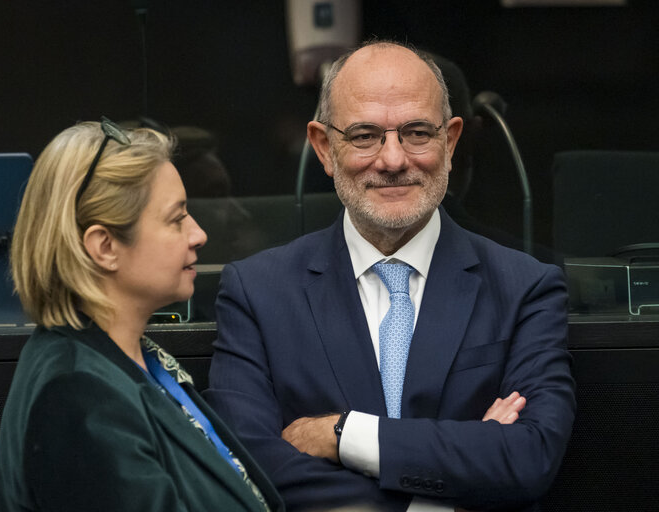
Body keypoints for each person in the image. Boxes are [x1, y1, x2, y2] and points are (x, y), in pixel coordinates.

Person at [204, 42, 575, 511]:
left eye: (417, 132)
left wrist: (343, 435)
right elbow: (250, 464)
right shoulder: (258, 292)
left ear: (452, 140)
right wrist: (450, 484)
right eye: (364, 136)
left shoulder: (525, 287)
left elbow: (529, 456)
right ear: (324, 147)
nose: (394, 159)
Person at [0, 118, 284, 512]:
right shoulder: (79, 400)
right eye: (176, 218)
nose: (198, 234)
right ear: (105, 246)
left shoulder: (130, 358)